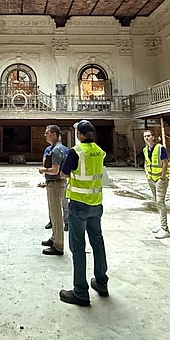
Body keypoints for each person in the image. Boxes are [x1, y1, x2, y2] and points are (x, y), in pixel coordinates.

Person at [58, 120, 109, 306]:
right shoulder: (99, 151)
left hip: (79, 204)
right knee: (97, 242)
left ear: (79, 134)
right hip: (96, 203)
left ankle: (80, 291)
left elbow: (63, 174)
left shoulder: (76, 151)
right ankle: (101, 283)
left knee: (78, 246)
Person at [38, 125, 68, 256]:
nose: (45, 135)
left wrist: (43, 170)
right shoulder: (55, 148)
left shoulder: (56, 150)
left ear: (54, 134)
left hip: (56, 184)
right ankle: (54, 237)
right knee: (54, 213)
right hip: (53, 183)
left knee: (56, 216)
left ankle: (58, 245)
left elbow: (55, 170)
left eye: (47, 133)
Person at [143, 130, 170, 239]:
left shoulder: (160, 148)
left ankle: (165, 229)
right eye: (145, 136)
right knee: (157, 202)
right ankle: (162, 225)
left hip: (160, 180)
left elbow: (165, 163)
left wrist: (162, 177)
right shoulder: (145, 150)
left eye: (148, 136)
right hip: (151, 179)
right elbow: (146, 163)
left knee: (160, 202)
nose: (146, 138)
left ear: (153, 137)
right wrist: (147, 175)